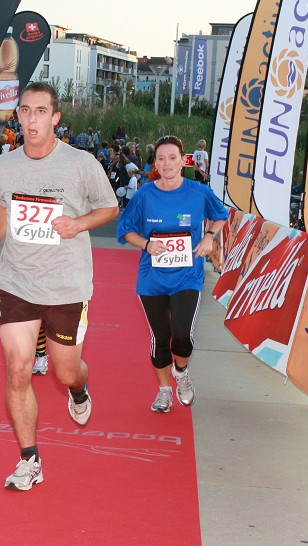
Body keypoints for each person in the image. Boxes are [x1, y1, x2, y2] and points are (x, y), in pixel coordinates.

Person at [0, 81, 119, 491]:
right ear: (17, 116)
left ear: (55, 118)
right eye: (25, 111)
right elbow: (4, 206)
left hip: (66, 285)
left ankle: (79, 390)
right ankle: (29, 460)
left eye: (40, 111)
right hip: (17, 281)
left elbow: (110, 207)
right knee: (18, 369)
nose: (31, 118)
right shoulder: (4, 165)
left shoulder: (80, 163)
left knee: (65, 370)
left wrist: (78, 223)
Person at [116, 135, 228, 413]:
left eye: (172, 158)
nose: (167, 163)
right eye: (161, 158)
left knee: (182, 335)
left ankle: (181, 371)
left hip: (187, 275)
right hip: (152, 278)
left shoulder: (198, 192)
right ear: (155, 163)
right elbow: (125, 229)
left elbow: (221, 215)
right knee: (160, 337)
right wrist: (146, 244)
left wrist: (209, 236)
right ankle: (164, 390)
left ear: (183, 161)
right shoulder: (144, 194)